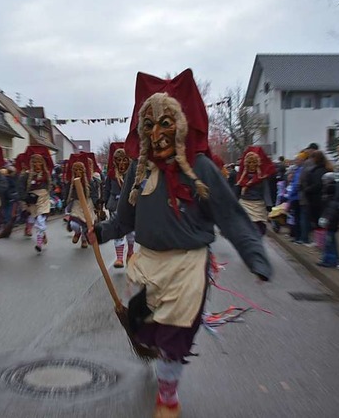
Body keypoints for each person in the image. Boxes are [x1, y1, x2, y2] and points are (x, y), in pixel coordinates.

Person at [89, 69, 271, 418]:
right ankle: (151, 349)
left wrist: (256, 257)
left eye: (166, 123)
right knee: (143, 327)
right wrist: (101, 232)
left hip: (188, 267)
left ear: (181, 126)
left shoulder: (200, 168)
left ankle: (168, 397)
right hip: (148, 264)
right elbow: (124, 220)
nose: (157, 133)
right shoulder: (137, 172)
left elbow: (232, 217)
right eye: (149, 125)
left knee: (174, 336)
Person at [104, 143, 135, 267]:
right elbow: (107, 189)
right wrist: (103, 202)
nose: (121, 163)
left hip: (130, 206)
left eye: (124, 160)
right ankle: (119, 258)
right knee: (117, 231)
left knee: (131, 233)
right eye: (118, 160)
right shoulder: (111, 175)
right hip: (115, 205)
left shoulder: (132, 174)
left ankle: (131, 251)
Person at [236, 146, 276, 236]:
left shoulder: (262, 177)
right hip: (245, 203)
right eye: (249, 162)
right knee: (246, 225)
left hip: (258, 204)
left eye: (254, 162)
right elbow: (237, 189)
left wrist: (268, 204)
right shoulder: (242, 177)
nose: (252, 165)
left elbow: (266, 190)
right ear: (246, 163)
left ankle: (256, 241)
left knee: (259, 226)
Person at [23, 146, 53, 252]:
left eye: (39, 162)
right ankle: (43, 234)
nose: (37, 165)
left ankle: (39, 243)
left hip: (43, 198)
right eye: (34, 162)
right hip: (33, 199)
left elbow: (50, 186)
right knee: (37, 220)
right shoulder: (27, 174)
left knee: (40, 219)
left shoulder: (46, 174)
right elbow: (22, 188)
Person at [65, 154, 98, 249]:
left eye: (80, 170)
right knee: (74, 224)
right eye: (76, 170)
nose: (78, 172)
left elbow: (94, 193)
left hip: (88, 203)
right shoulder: (71, 183)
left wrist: (96, 204)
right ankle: (77, 232)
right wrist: (66, 203)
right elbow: (67, 193)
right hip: (76, 204)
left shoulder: (90, 181)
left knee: (87, 224)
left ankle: (84, 239)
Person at [302, 150, 330, 247]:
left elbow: (317, 184)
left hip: (316, 200)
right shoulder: (323, 169)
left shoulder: (317, 171)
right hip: (318, 199)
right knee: (317, 220)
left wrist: (307, 189)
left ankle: (319, 242)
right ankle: (319, 241)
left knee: (317, 220)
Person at [317, 172, 339, 267]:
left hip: (331, 223)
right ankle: (327, 259)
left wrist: (326, 219)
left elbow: (330, 209)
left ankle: (331, 260)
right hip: (330, 221)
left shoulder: (332, 197)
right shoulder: (331, 196)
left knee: (330, 242)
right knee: (328, 242)